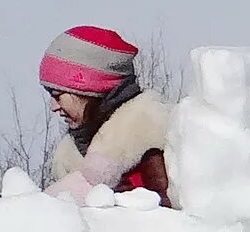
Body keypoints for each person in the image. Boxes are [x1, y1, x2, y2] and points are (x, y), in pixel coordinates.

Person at [41, 26, 171, 205]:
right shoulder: (73, 157)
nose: (54, 107)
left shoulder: (155, 144)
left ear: (88, 89)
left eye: (57, 95)